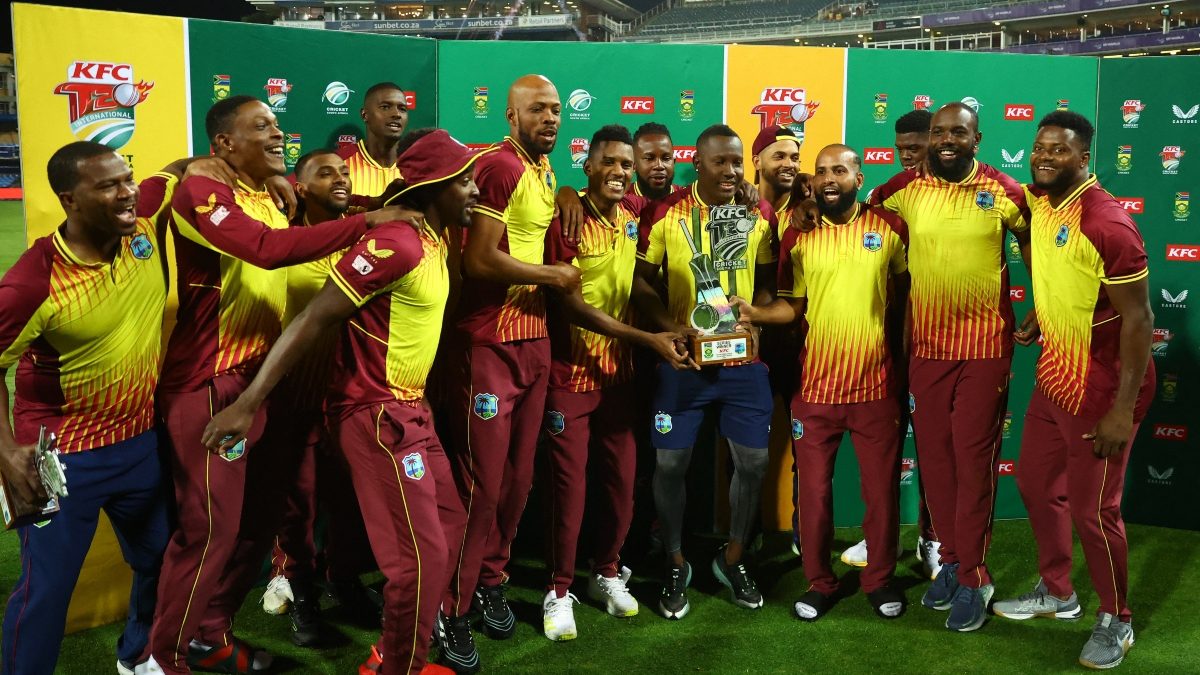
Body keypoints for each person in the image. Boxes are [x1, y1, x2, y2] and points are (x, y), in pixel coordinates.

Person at [145, 95, 412, 674]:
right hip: (209, 384)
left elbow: (368, 201)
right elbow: (263, 252)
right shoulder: (201, 189)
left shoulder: (269, 193)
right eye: (260, 125)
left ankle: (209, 635)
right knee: (209, 529)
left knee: (259, 525)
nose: (277, 131)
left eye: (276, 123)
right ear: (224, 145)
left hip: (261, 385)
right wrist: (363, 224)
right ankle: (156, 660)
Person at [202, 127, 477, 675]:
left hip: (409, 410)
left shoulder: (431, 235)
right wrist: (251, 402)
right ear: (435, 185)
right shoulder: (397, 244)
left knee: (448, 527)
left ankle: (395, 654)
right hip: (378, 415)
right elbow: (314, 317)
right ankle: (395, 665)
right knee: (417, 561)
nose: (475, 189)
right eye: (463, 180)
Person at [0, 142, 180, 675]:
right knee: (46, 592)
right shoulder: (34, 280)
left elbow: (177, 171)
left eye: (128, 178)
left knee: (161, 559)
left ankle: (139, 656)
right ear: (69, 200)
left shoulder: (141, 219)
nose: (127, 193)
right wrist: (7, 451)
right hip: (64, 459)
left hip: (141, 444)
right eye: (108, 185)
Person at [993, 111, 1154, 670]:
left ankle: (1117, 620)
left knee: (1095, 510)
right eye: (1039, 148)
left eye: (1058, 151)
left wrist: (1123, 410)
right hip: (1056, 373)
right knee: (1037, 485)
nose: (1044, 157)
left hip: (1104, 388)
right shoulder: (1041, 203)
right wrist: (1042, 310)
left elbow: (1138, 322)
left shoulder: (1108, 223)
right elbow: (1060, 269)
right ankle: (1058, 592)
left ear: (1083, 157)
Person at [869, 102, 1031, 633]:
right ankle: (957, 561)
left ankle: (974, 576)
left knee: (972, 460)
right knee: (936, 463)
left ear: (977, 139)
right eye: (938, 132)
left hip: (985, 350)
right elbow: (853, 220)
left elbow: (1039, 249)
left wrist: (1044, 310)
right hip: (926, 351)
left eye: (956, 133)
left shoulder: (1005, 192)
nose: (945, 140)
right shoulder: (900, 190)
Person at [436, 74, 579, 673]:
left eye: (555, 110)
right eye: (537, 110)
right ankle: (451, 608)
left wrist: (566, 188)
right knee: (482, 484)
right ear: (511, 114)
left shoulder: (542, 170)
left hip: (535, 342)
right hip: (488, 342)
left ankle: (490, 579)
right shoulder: (498, 165)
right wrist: (552, 277)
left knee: (519, 481)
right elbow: (479, 258)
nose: (550, 118)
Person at [735, 144, 909, 621]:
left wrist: (901, 370)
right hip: (815, 391)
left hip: (876, 388)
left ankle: (879, 580)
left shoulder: (890, 229)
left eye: (840, 170)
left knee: (880, 494)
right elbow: (793, 306)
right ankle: (820, 582)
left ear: (859, 174)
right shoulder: (798, 236)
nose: (830, 178)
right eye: (823, 171)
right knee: (812, 495)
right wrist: (753, 313)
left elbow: (901, 303)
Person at [539, 124, 691, 641]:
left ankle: (606, 573)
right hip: (571, 376)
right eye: (610, 162)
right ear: (587, 167)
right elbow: (571, 305)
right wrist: (647, 339)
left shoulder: (635, 219)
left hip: (621, 379)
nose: (622, 172)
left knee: (622, 487)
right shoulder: (566, 217)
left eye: (628, 165)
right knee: (570, 490)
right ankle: (559, 591)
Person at [634, 124, 776, 620]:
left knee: (754, 463)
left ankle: (733, 557)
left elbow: (768, 284)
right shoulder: (666, 214)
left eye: (738, 162)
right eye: (721, 162)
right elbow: (641, 283)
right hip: (685, 364)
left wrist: (755, 316)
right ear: (698, 163)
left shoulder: (760, 213)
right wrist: (671, 327)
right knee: (670, 465)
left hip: (742, 364)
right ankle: (674, 560)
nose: (732, 171)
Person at [259, 149, 379, 647]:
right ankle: (302, 593)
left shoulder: (367, 229)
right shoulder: (282, 235)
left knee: (352, 499)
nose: (341, 179)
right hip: (300, 391)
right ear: (299, 186)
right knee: (299, 504)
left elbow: (407, 197)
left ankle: (343, 580)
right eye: (325, 173)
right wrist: (270, 176)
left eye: (345, 172)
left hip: (354, 389)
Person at [839, 107, 942, 578]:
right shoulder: (891, 193)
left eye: (915, 149)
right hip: (892, 338)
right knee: (885, 447)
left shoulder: (972, 192)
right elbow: (848, 215)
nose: (907, 158)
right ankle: (881, 535)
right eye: (901, 149)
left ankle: (933, 541)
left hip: (946, 341)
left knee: (936, 447)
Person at [631, 122, 680, 201]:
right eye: (649, 158)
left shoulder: (688, 200)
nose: (659, 165)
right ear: (634, 164)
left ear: (674, 162)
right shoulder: (619, 201)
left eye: (666, 158)